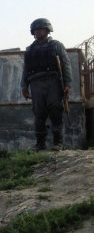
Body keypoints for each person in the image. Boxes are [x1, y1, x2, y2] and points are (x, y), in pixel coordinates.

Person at [21, 18, 72, 151]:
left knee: (55, 110)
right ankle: (40, 143)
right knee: (39, 114)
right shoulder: (30, 49)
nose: (38, 32)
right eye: (36, 30)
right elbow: (25, 70)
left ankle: (58, 143)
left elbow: (66, 64)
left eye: (41, 29)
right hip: (35, 83)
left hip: (53, 82)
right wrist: (24, 86)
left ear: (47, 30)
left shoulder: (56, 45)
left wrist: (68, 84)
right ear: (33, 32)